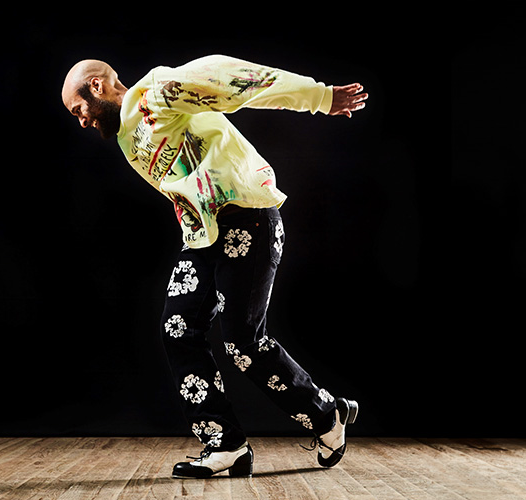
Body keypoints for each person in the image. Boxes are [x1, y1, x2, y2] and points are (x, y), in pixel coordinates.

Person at [61, 54, 367, 478]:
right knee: (177, 329)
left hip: (249, 217)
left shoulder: (158, 92)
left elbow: (231, 77)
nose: (82, 122)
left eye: (79, 111)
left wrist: (317, 97)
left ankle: (325, 414)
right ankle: (226, 444)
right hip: (205, 234)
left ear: (97, 88)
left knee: (243, 343)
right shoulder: (126, 136)